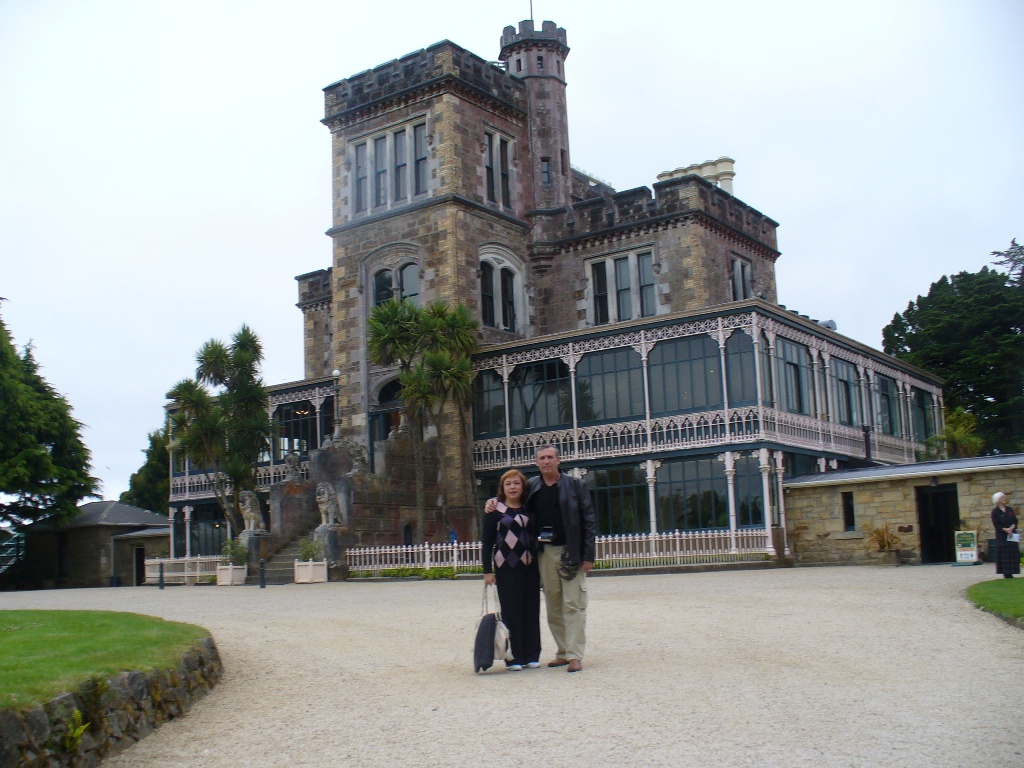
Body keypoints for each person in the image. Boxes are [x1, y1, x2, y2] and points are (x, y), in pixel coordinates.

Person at [487, 445, 596, 673]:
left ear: (558, 460)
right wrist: (492, 501)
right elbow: (511, 497)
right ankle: (563, 651)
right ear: (537, 463)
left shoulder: (575, 485)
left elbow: (588, 520)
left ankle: (575, 655)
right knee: (554, 606)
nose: (546, 461)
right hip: (544, 553)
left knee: (573, 603)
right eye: (542, 458)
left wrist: (588, 555)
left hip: (570, 551)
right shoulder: (533, 487)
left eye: (550, 457)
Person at [482, 469, 541, 670]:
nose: (512, 487)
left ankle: (532, 653)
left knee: (531, 610)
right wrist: (487, 571)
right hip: (506, 568)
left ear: (523, 487)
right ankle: (513, 657)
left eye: (516, 483)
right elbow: (487, 542)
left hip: (529, 567)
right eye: (508, 484)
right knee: (511, 612)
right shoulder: (495, 511)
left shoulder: (528, 509)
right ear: (502, 488)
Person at [991, 491, 1019, 579]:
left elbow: (1015, 520)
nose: (1004, 499)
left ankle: (1012, 571)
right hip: (1002, 536)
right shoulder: (995, 512)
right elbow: (996, 525)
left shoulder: (1009, 509)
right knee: (1004, 554)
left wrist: (1012, 527)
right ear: (998, 500)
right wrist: (1005, 529)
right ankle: (1006, 573)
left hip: (1012, 535)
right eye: (1002, 498)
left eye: (1004, 497)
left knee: (1012, 553)